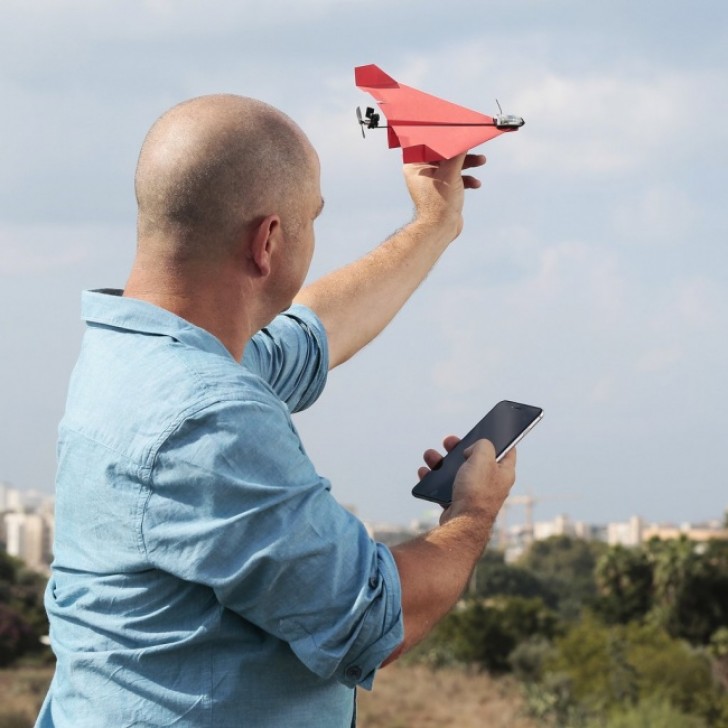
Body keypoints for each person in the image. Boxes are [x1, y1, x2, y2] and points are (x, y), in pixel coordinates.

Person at [37, 94, 517, 728]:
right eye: (311, 222)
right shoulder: (205, 415)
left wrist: (435, 221)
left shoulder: (136, 353)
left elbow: (316, 329)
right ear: (267, 241)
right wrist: (472, 512)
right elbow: (371, 620)